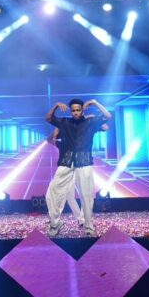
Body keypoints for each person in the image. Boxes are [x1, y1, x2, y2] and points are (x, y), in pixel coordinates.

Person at [44, 98, 111, 237]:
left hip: (84, 163)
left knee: (87, 196)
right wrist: (56, 106)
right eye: (73, 110)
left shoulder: (90, 123)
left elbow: (107, 116)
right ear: (71, 111)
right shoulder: (65, 122)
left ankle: (88, 226)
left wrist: (95, 102)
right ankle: (55, 223)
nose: (75, 112)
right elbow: (48, 118)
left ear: (82, 111)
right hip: (66, 162)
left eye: (78, 110)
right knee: (53, 192)